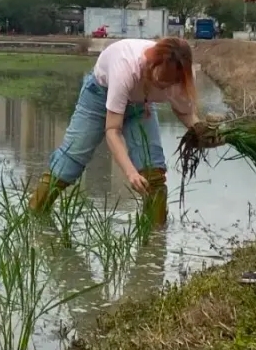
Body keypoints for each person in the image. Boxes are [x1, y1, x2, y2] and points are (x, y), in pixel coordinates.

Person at [28, 36, 214, 226]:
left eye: (171, 83)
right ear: (151, 64)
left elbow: (185, 112)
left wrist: (204, 133)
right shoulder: (126, 67)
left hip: (140, 106)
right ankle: (33, 217)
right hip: (99, 96)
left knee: (153, 172)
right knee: (70, 163)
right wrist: (131, 173)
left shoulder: (182, 75)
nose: (166, 87)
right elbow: (112, 130)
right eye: (162, 81)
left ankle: (155, 235)